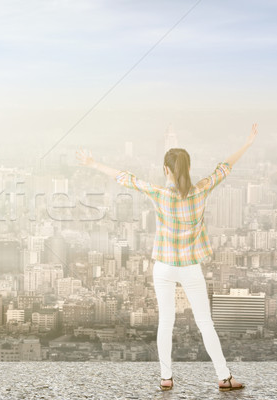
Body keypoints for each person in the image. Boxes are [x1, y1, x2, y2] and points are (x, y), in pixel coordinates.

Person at [76, 123, 258, 392]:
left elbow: (125, 178)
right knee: (204, 322)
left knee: (166, 322)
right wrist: (248, 142)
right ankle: (224, 377)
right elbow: (224, 167)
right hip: (189, 267)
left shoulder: (159, 194)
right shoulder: (201, 190)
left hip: (163, 267)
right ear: (188, 168)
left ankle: (165, 377)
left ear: (166, 170)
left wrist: (93, 163)